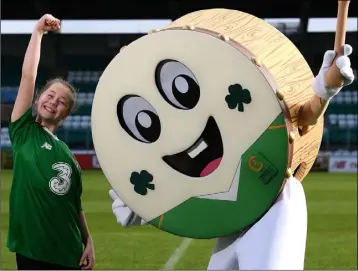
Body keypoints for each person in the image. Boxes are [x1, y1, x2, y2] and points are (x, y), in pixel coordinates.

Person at [109, 44, 355, 270]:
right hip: (230, 226)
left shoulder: (252, 107)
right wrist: (145, 203)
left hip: (273, 202)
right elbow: (185, 186)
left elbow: (301, 118)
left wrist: (325, 91)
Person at [7, 14, 95, 270]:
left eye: (62, 102)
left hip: (70, 254)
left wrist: (88, 240)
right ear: (37, 99)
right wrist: (38, 32)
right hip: (33, 252)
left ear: (65, 114)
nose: (53, 101)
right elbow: (27, 77)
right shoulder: (24, 132)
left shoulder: (69, 157)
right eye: (50, 95)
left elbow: (74, 206)